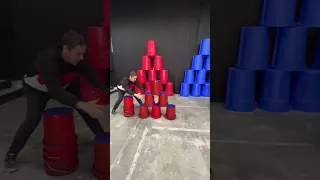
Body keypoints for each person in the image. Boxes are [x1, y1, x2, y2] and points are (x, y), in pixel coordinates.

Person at [4, 30, 109, 173]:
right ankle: (11, 155)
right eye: (78, 54)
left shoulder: (79, 61)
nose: (81, 57)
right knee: (32, 120)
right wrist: (81, 104)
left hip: (64, 84)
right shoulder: (47, 59)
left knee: (86, 109)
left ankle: (103, 142)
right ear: (66, 49)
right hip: (37, 89)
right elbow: (55, 91)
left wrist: (114, 91)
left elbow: (94, 80)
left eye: (83, 53)